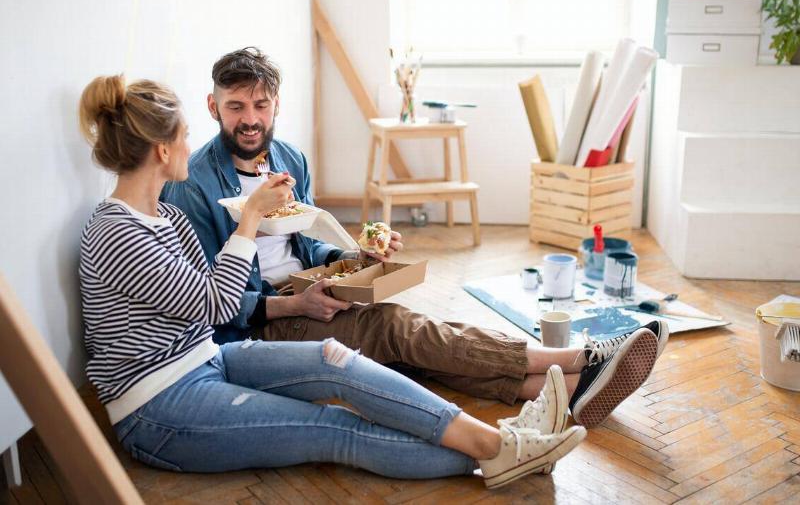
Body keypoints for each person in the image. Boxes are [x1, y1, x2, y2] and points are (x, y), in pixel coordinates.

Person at [77, 74, 595, 488]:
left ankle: (503, 440)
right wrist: (251, 220)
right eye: (184, 134)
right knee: (334, 429)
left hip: (206, 359)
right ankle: (499, 451)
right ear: (163, 151)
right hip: (158, 406)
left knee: (337, 359)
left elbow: (218, 288)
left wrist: (348, 257)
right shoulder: (116, 232)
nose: (191, 143)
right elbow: (217, 303)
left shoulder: (162, 218)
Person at [160, 47, 669, 420]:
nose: (251, 121)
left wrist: (353, 256)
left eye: (262, 105)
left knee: (410, 350)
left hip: (313, 291)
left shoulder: (290, 159)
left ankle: (558, 391)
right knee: (395, 329)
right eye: (236, 107)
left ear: (276, 104)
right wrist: (296, 305)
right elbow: (213, 301)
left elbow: (307, 239)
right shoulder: (195, 185)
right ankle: (582, 358)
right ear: (212, 107)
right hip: (260, 326)